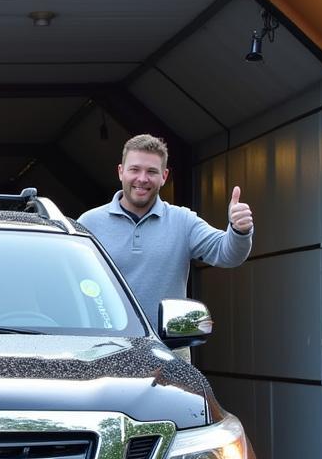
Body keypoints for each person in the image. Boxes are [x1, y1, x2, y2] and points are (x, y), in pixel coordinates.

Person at [77, 134, 253, 343]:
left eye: (152, 171)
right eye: (135, 169)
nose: (142, 179)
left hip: (170, 352)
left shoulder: (183, 221)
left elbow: (227, 255)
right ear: (121, 172)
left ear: (164, 176)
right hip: (103, 347)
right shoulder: (88, 223)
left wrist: (239, 230)